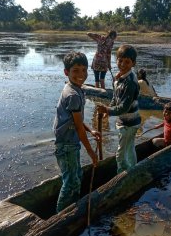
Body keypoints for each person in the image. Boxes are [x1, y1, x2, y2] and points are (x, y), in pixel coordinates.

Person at [53, 51, 101, 213]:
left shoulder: (76, 88)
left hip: (70, 142)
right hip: (67, 144)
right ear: (66, 72)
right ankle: (60, 216)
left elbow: (78, 121)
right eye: (75, 71)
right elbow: (79, 127)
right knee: (70, 182)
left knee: (76, 176)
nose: (81, 75)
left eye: (84, 70)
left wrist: (92, 130)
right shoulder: (73, 94)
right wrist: (91, 152)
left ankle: (73, 206)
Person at [97, 44, 141, 173]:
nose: (122, 64)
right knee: (129, 148)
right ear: (116, 60)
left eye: (127, 62)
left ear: (133, 63)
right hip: (127, 122)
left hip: (129, 123)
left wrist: (107, 110)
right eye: (120, 61)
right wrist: (109, 108)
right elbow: (115, 98)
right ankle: (133, 169)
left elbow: (123, 107)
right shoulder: (119, 78)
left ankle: (122, 176)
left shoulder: (130, 82)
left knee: (120, 154)